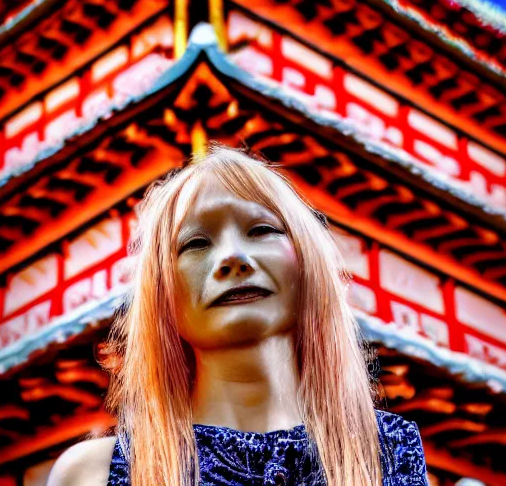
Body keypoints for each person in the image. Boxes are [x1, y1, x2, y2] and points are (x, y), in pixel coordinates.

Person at [47, 143, 429, 485]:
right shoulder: (91, 474)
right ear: (161, 296)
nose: (232, 257)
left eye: (262, 230)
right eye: (195, 243)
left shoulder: (388, 457)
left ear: (308, 265)